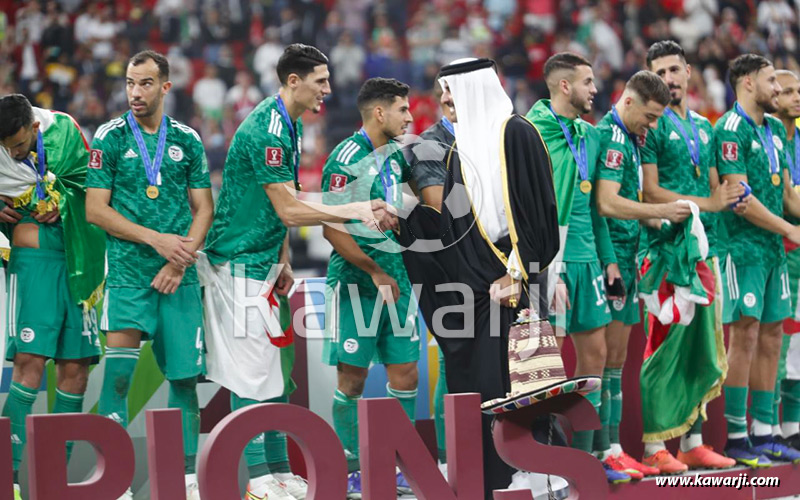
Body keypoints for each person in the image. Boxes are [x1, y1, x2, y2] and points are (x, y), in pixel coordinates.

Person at [200, 44, 393, 500]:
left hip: (265, 262)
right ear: (293, 81)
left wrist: (284, 257)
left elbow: (278, 206)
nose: (328, 88)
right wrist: (355, 209)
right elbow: (288, 207)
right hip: (237, 262)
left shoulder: (289, 124)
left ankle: (280, 471)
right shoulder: (269, 128)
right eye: (320, 80)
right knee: (251, 373)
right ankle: (259, 480)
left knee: (273, 373)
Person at [401, 57, 559, 498]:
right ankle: (493, 483)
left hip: (515, 284)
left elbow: (542, 214)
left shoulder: (516, 133)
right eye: (441, 93)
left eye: (451, 92)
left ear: (474, 90)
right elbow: (453, 231)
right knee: (484, 389)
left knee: (524, 386)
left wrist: (519, 273)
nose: (444, 101)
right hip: (479, 289)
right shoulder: (459, 150)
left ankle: (536, 473)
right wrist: (403, 222)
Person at [85, 50, 214, 500]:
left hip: (178, 277)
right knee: (117, 378)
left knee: (183, 380)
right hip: (126, 273)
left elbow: (204, 209)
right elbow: (95, 210)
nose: (135, 93)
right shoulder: (109, 138)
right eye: (129, 83)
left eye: (144, 84)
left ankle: (186, 481)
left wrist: (178, 259)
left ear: (165, 87)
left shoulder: (188, 140)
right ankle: (113, 480)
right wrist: (156, 240)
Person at [526, 53, 638, 484]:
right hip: (550, 261)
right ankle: (550, 463)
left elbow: (597, 209)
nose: (596, 89)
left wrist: (609, 260)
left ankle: (589, 458)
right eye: (588, 82)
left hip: (588, 259)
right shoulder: (528, 131)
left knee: (596, 357)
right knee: (547, 365)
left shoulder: (591, 136)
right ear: (564, 86)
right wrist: (538, 266)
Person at [639, 40, 740, 472]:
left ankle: (692, 442)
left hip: (705, 249)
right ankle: (653, 447)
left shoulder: (705, 125)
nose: (669, 80)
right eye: (659, 74)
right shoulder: (649, 126)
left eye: (674, 71)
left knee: (703, 349)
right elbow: (650, 191)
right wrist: (708, 203)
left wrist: (724, 199)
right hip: (666, 251)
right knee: (665, 349)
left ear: (688, 71)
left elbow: (720, 186)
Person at [0, 94, 106, 500]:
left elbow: (89, 184)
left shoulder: (64, 129)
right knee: (30, 362)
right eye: (6, 148)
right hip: (34, 262)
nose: (12, 153)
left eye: (20, 145)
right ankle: (6, 479)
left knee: (76, 368)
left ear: (35, 127)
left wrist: (67, 203)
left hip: (80, 258)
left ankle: (54, 483)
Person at [321, 77, 418, 498]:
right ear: (380, 112)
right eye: (402, 109)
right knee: (353, 380)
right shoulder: (345, 158)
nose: (410, 116)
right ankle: (350, 470)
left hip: (396, 279)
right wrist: (373, 270)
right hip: (356, 282)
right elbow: (330, 228)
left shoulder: (397, 156)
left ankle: (398, 467)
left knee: (406, 373)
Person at [594, 70, 693, 475]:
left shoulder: (633, 138)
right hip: (609, 258)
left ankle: (613, 447)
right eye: (650, 117)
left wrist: (668, 226)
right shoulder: (613, 138)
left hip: (629, 256)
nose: (653, 127)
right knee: (604, 360)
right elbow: (607, 203)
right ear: (628, 100)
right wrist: (661, 210)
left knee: (617, 360)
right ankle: (602, 450)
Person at [715, 54, 800, 467]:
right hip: (743, 250)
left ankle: (765, 431)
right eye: (772, 82)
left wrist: (790, 223)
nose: (778, 91)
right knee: (745, 338)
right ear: (748, 83)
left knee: (773, 337)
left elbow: (786, 197)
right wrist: (787, 229)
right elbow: (739, 198)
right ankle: (736, 435)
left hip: (772, 254)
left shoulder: (776, 134)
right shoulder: (729, 129)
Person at [404, 76, 455, 474]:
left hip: (499, 263)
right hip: (447, 267)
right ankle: (445, 461)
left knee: (500, 363)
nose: (449, 101)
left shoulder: (498, 136)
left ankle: (497, 453)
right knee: (455, 360)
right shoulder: (428, 142)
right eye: (445, 95)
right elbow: (438, 205)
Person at [774, 69, 800, 451]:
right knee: (781, 341)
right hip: (781, 250)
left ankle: (794, 423)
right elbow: (787, 199)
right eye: (789, 91)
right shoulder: (770, 138)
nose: (797, 97)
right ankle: (777, 426)